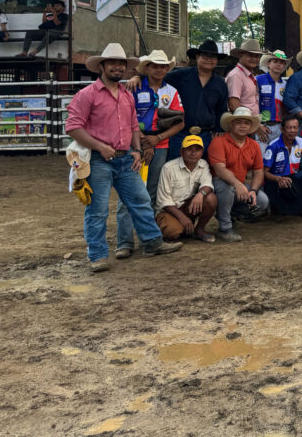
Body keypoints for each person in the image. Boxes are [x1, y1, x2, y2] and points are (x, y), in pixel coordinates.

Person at [65, 43, 182, 272]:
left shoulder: (127, 95)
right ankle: (98, 255)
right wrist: (100, 146)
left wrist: (136, 150)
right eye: (112, 63)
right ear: (102, 66)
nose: (117, 67)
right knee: (98, 209)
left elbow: (133, 126)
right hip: (98, 158)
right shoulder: (87, 95)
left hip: (125, 156)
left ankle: (151, 242)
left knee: (140, 200)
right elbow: (73, 127)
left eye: (121, 63)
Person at [115, 49, 185, 259]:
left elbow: (180, 122)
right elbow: (125, 118)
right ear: (147, 68)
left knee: (152, 193)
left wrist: (157, 138)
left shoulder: (171, 91)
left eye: (163, 66)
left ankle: (149, 240)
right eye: (155, 66)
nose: (159, 70)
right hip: (133, 145)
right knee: (127, 193)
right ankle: (124, 242)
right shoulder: (133, 87)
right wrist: (145, 142)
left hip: (160, 145)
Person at [207, 107, 270, 241]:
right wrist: (238, 184)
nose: (243, 126)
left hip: (239, 185)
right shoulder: (218, 142)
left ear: (250, 126)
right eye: (238, 122)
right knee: (227, 188)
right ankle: (225, 228)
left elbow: (258, 171)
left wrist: (253, 190)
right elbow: (220, 170)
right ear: (231, 125)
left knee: (262, 201)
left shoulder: (254, 145)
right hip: (218, 184)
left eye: (246, 123)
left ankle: (230, 215)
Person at [162, 39, 230, 158]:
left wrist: (219, 130)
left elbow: (221, 109)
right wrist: (138, 77)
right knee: (175, 166)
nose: (209, 59)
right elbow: (157, 76)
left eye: (213, 57)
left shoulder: (220, 84)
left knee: (202, 167)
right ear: (197, 56)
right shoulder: (181, 75)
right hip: (179, 132)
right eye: (205, 56)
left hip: (205, 135)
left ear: (217, 60)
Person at [154, 134, 218, 243]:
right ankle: (180, 227)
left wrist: (200, 194)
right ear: (181, 152)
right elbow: (163, 201)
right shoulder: (168, 168)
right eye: (189, 149)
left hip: (188, 207)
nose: (193, 153)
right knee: (172, 232)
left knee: (210, 198)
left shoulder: (203, 164)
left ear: (202, 152)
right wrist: (182, 218)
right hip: (169, 210)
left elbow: (207, 184)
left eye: (197, 150)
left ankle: (199, 230)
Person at [262, 114, 302, 219]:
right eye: (289, 127)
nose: (292, 130)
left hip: (294, 177)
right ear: (282, 129)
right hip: (276, 181)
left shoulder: (300, 142)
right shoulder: (273, 146)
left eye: (295, 127)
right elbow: (264, 172)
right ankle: (276, 208)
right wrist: (278, 179)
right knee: (281, 185)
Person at [226, 38, 271, 142]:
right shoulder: (236, 75)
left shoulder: (249, 75)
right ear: (241, 55)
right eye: (250, 55)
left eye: (257, 56)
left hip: (250, 127)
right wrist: (255, 125)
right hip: (243, 128)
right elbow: (233, 104)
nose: (254, 59)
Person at [256, 50, 290, 143]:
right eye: (275, 61)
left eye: (281, 62)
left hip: (279, 128)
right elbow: (251, 103)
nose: (278, 64)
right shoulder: (258, 80)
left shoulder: (286, 84)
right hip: (261, 127)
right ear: (268, 63)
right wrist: (257, 125)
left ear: (284, 66)